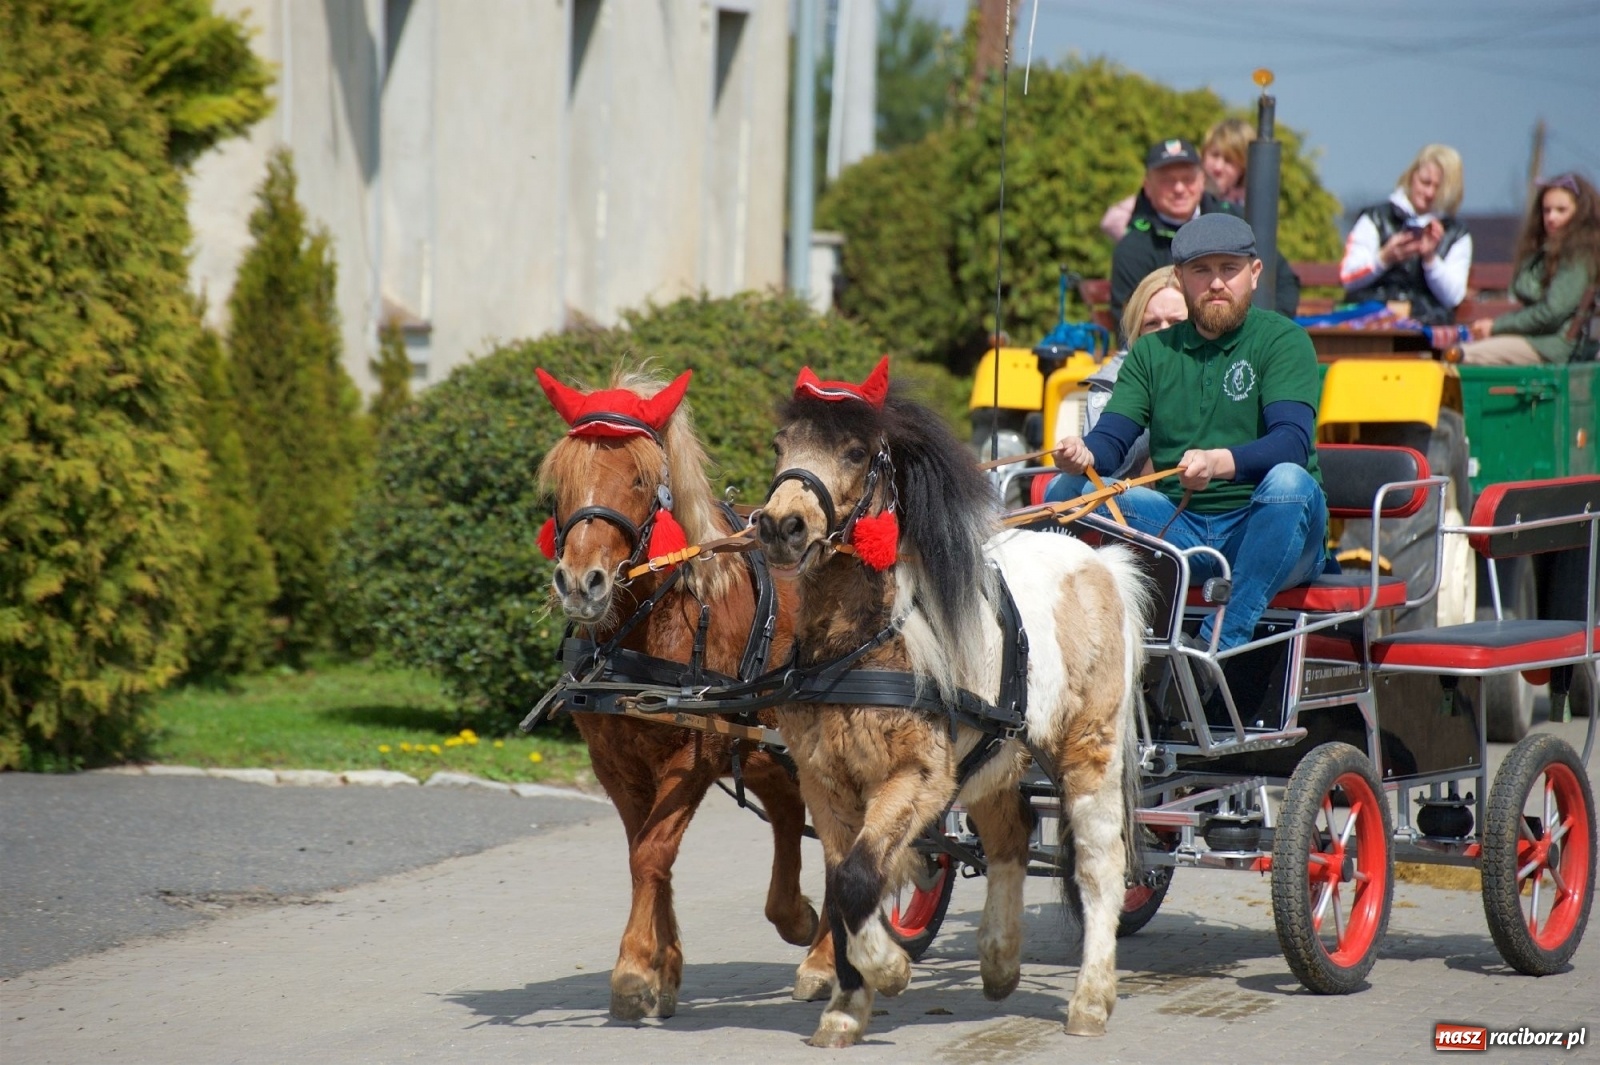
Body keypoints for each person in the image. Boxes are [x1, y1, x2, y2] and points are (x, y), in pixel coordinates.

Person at [1046, 214, 1328, 652]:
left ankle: (1218, 644)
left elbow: (1291, 442)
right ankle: (1064, 644)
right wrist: (1082, 452)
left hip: (1271, 530)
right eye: (1201, 270)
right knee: (1069, 492)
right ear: (1180, 278)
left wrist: (1217, 463)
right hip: (1184, 527)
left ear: (1253, 274)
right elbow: (1112, 440)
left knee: (1290, 483)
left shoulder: (1284, 341)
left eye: (1228, 269)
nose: (1216, 283)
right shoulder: (1152, 352)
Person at [1110, 138, 1300, 323]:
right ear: (1147, 186)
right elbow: (1129, 319)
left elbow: (1284, 282)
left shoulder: (1237, 223)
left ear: (1202, 180)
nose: (1179, 188)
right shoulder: (1133, 246)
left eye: (1188, 179)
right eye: (1167, 181)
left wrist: (1267, 334)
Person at [1456, 172, 1600, 365]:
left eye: (1561, 210)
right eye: (1546, 210)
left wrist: (1496, 326)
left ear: (1580, 212)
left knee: (1463, 355)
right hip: (1536, 340)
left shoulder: (1579, 255)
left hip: (1553, 346)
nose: (1551, 217)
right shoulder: (1545, 251)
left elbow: (1552, 312)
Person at [1072, 266, 1187, 479]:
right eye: (1152, 323)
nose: (1163, 332)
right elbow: (1105, 468)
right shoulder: (1110, 382)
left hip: (1193, 500)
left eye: (1176, 322)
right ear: (1137, 330)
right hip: (1122, 495)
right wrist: (1079, 454)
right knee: (1062, 487)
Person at [1339, 144, 1473, 325]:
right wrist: (1384, 258)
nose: (1429, 193)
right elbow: (1348, 277)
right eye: (1425, 182)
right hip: (1371, 319)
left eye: (1438, 188)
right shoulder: (1376, 219)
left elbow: (1453, 297)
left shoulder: (1456, 233)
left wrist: (1430, 259)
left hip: (1425, 324)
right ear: (1411, 176)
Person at [1099, 120, 1255, 241]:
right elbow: (1112, 220)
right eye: (1214, 155)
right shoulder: (1175, 192)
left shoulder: (1246, 207)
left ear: (1244, 166)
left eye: (1229, 161)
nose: (1218, 167)